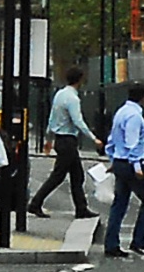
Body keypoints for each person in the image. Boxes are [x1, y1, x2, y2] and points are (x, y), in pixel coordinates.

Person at [29, 65, 102, 222]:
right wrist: (93, 138)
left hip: (60, 140)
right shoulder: (73, 99)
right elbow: (78, 121)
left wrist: (49, 138)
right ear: (80, 80)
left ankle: (81, 208)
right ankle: (36, 203)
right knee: (58, 176)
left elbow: (52, 118)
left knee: (77, 175)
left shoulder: (59, 94)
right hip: (68, 140)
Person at [103, 80, 144, 259]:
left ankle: (111, 244)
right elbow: (131, 143)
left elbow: (111, 141)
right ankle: (138, 242)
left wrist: (113, 160)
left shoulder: (121, 112)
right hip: (131, 164)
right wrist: (136, 166)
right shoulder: (135, 116)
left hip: (119, 161)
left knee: (119, 204)